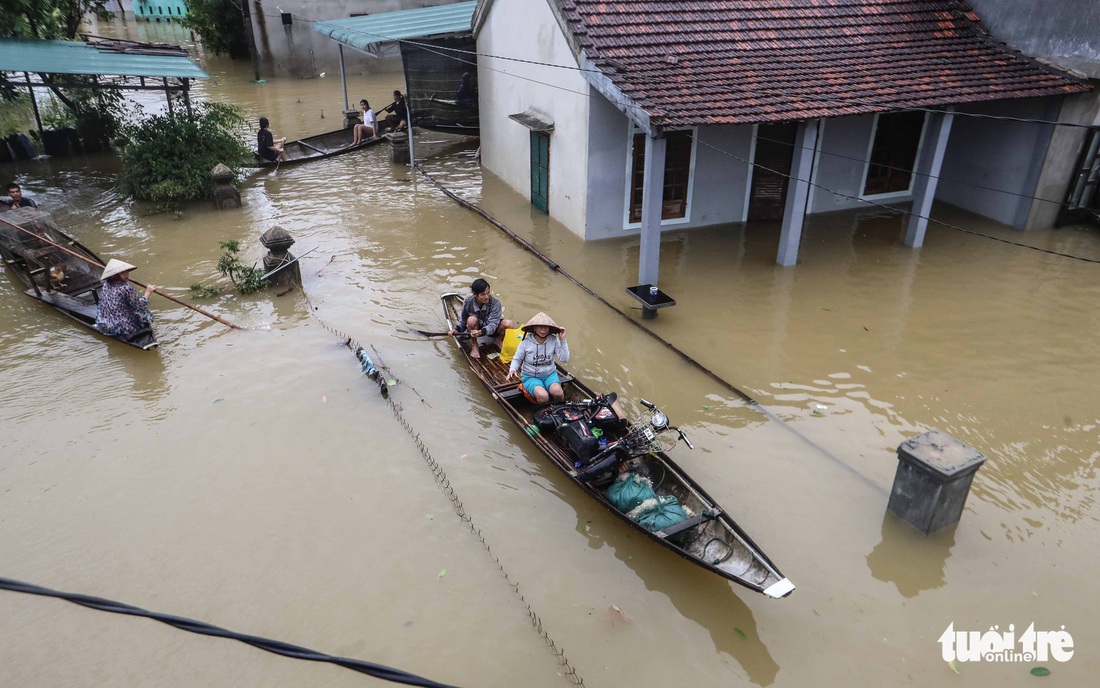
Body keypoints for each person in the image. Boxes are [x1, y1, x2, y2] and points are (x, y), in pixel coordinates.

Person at [507, 312, 569, 403]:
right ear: (534, 328)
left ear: (549, 329)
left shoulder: (554, 340)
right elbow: (517, 358)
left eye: (545, 326)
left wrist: (562, 340)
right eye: (540, 326)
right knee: (543, 396)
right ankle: (543, 410)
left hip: (549, 375)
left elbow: (564, 358)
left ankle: (560, 406)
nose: (543, 329)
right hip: (530, 376)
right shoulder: (525, 343)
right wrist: (512, 369)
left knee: (558, 392)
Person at [450, 278, 513, 359]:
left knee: (509, 324)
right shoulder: (468, 301)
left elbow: (493, 324)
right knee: (471, 320)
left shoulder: (495, 303)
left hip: (491, 328)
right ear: (475, 294)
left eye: (488, 293)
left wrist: (481, 332)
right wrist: (456, 330)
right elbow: (463, 320)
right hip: (475, 329)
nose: (486, 297)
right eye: (483, 294)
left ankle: (498, 340)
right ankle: (475, 344)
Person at [95, 258, 155, 341]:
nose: (126, 275)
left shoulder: (106, 284)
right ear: (116, 275)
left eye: (127, 272)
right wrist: (148, 292)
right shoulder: (125, 288)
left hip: (105, 324)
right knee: (143, 311)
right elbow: (139, 304)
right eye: (122, 273)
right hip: (123, 327)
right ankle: (131, 332)